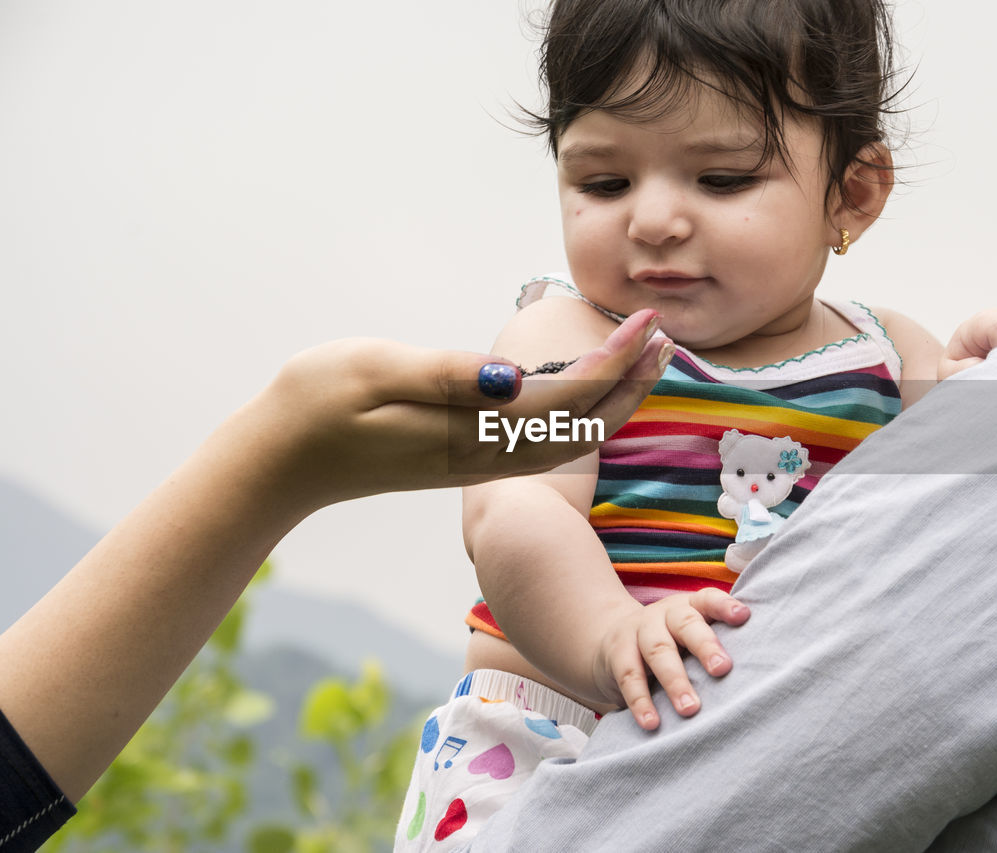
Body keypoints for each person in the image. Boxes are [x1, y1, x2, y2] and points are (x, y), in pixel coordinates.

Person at [452, 0, 997, 849]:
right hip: (548, 726)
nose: (653, 219)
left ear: (854, 193)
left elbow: (972, 464)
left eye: (724, 178)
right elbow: (512, 512)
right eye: (603, 182)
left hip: (743, 736)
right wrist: (608, 635)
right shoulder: (565, 337)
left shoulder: (884, 349)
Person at [0, 315, 669, 853]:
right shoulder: (561, 323)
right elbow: (520, 500)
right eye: (604, 185)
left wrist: (290, 450)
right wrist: (289, 451)